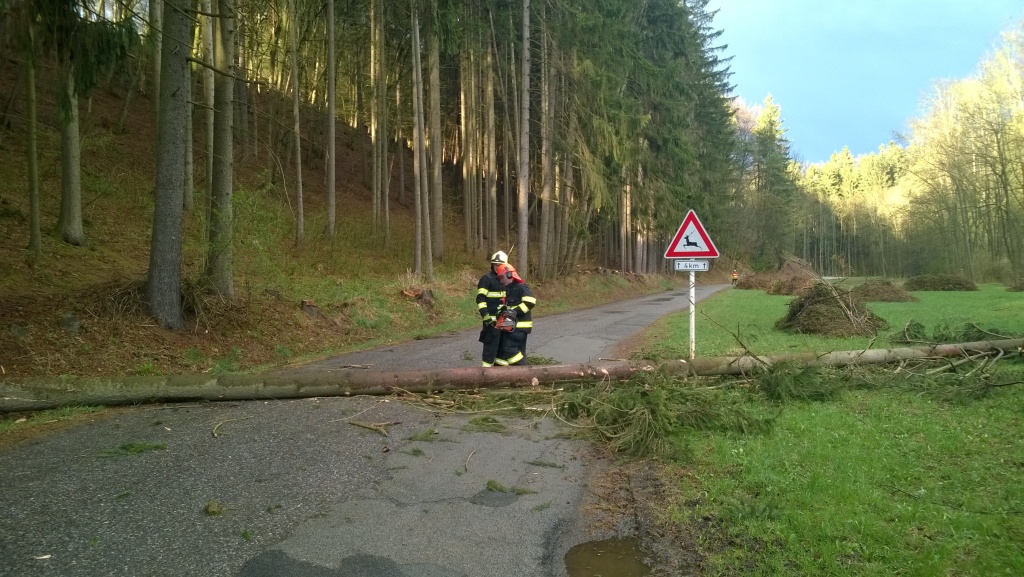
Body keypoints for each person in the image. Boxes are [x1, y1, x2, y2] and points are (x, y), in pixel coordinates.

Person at [493, 263, 536, 366]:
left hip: (519, 326)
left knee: (509, 349)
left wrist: (514, 312)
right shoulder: (508, 289)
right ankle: (503, 373)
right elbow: (508, 308)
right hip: (509, 324)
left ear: (509, 275)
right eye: (499, 278)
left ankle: (523, 370)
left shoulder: (521, 287)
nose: (501, 280)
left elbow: (530, 301)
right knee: (501, 350)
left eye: (502, 277)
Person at [476, 251, 509, 367]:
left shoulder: (507, 279)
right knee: (490, 348)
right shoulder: (486, 279)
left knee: (504, 348)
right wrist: (485, 315)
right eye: (495, 264)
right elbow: (480, 299)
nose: (497, 267)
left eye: (500, 265)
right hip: (491, 321)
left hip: (505, 320)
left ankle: (501, 374)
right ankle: (486, 373)